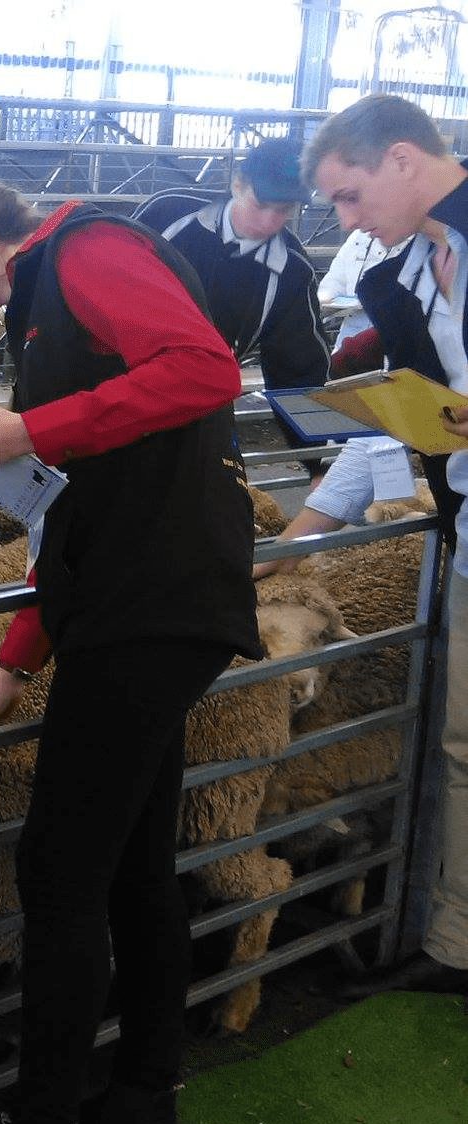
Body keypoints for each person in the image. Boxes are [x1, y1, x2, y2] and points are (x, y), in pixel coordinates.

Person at [0, 177, 262, 1124]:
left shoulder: (85, 253)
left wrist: (29, 430)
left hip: (155, 599)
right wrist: (14, 663)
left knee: (56, 869)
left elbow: (204, 371)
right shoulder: (42, 308)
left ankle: (42, 1122)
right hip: (132, 602)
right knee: (132, 864)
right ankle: (141, 1099)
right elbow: (69, 509)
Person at [304, 92, 468, 1004]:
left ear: (402, 158)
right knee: (460, 742)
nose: (345, 220)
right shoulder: (391, 281)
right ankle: (456, 945)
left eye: (349, 195)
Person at [133, 136, 331, 397]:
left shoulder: (292, 271)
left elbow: (301, 367)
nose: (268, 222)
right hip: (123, 375)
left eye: (283, 210)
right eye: (260, 205)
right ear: (237, 185)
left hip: (202, 398)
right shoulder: (166, 214)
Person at [317, 228, 409, 350]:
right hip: (347, 345)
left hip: (392, 347)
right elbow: (334, 283)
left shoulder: (419, 241)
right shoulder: (358, 237)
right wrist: (326, 302)